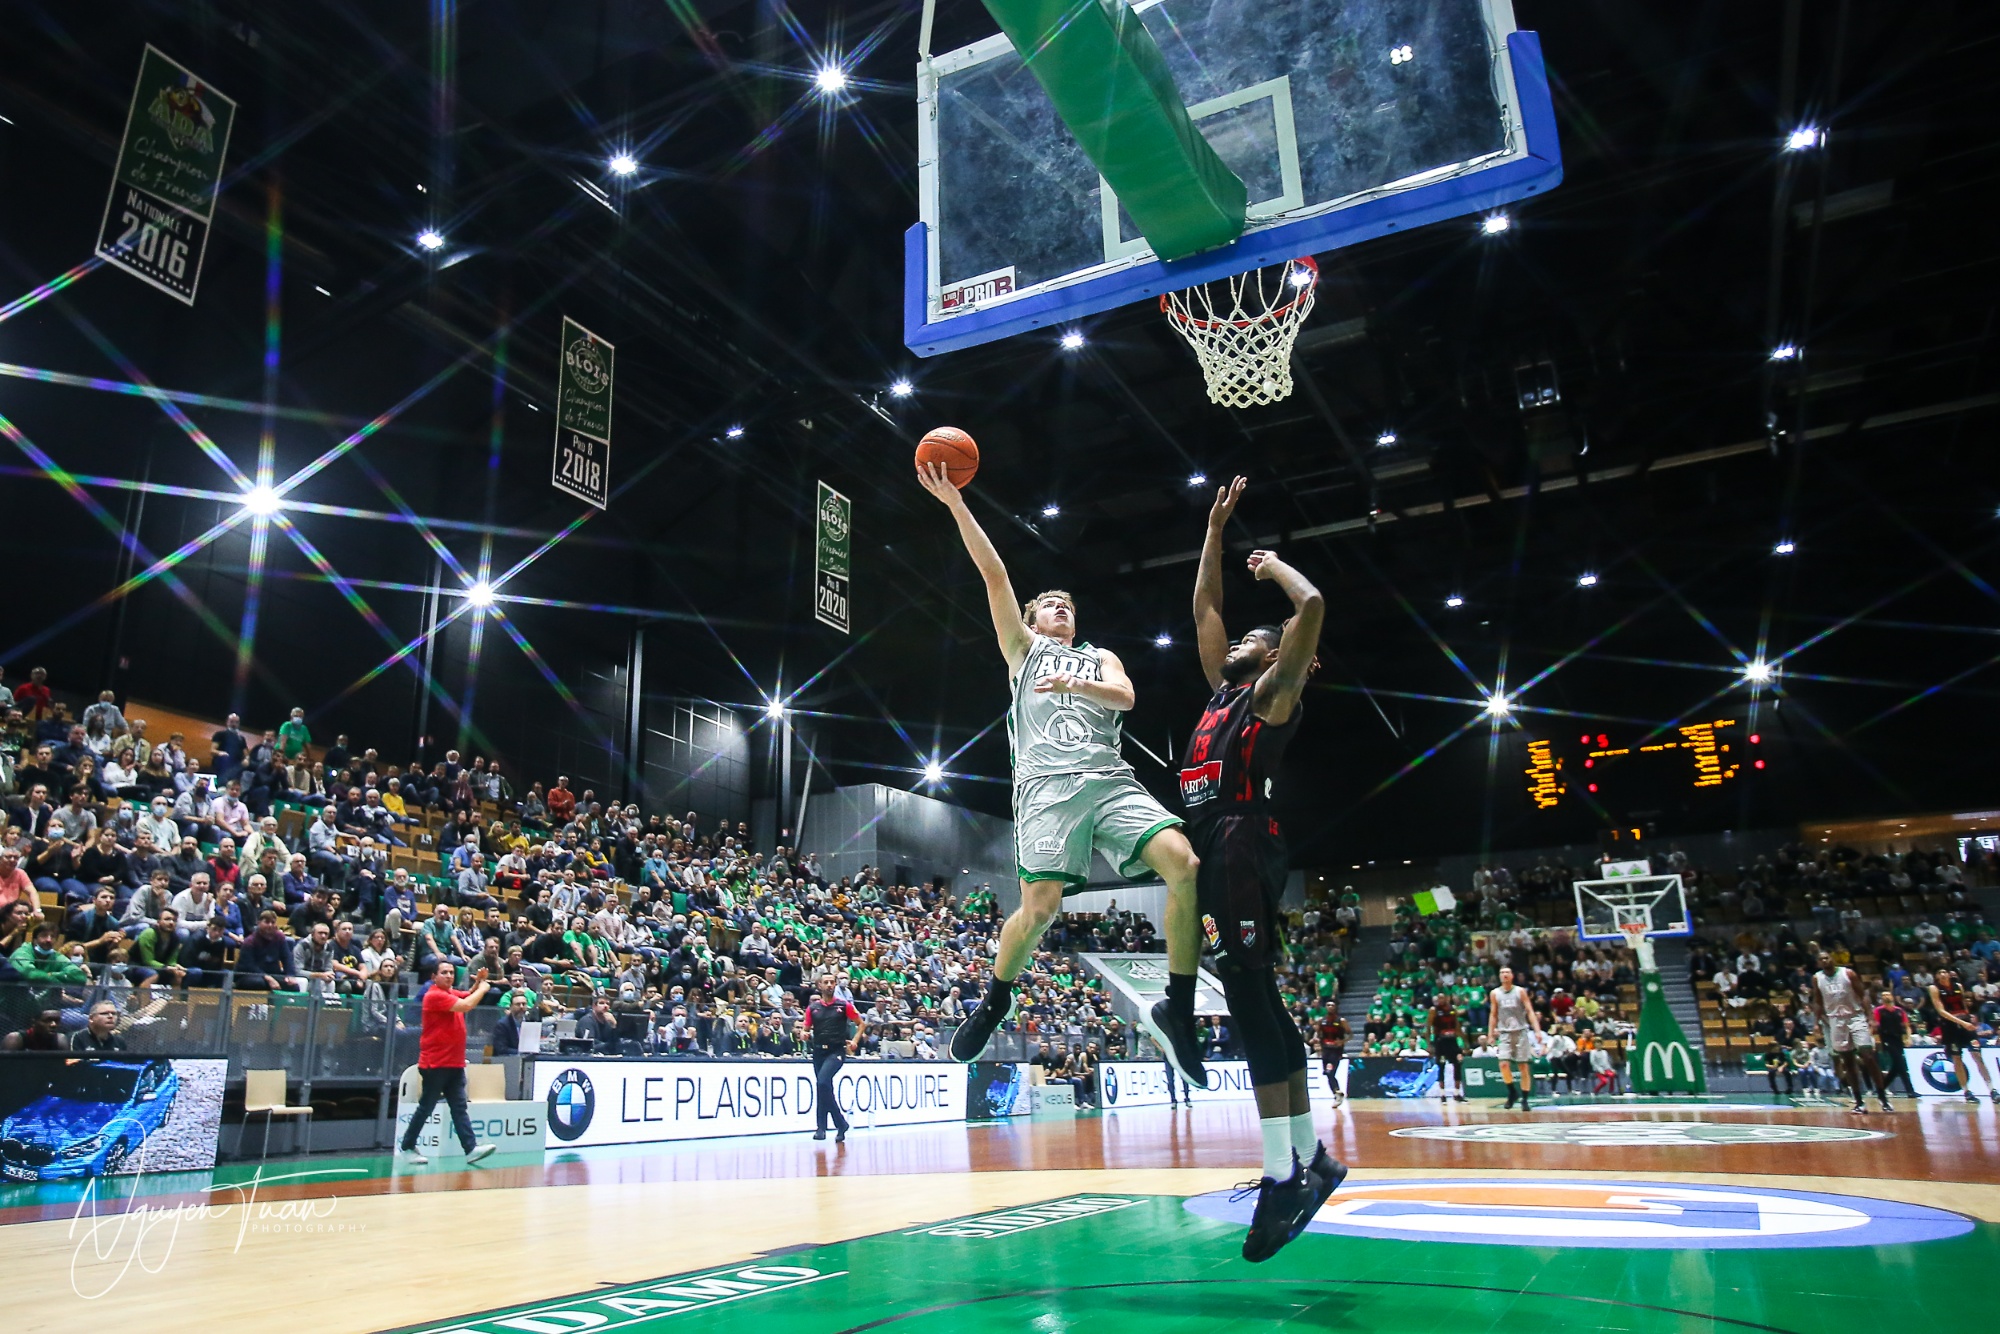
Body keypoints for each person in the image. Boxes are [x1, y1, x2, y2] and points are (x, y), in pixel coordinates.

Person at [918, 458, 1207, 1085]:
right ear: (1031, 618)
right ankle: (996, 998)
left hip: (1110, 782)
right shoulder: (1022, 652)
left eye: (1067, 605)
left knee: (1184, 865)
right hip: (1047, 790)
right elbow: (993, 573)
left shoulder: (1100, 657)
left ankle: (1178, 1007)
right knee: (1040, 909)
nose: (1061, 609)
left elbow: (1126, 698)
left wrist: (1078, 679)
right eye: (1050, 604)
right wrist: (955, 504)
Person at [1179, 476, 1342, 1262]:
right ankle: (1314, 1157)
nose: (1238, 636)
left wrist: (1275, 566)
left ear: (1278, 659)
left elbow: (1309, 609)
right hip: (1214, 843)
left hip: (1242, 843)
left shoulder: (1274, 696)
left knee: (1248, 1003)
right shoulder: (1222, 690)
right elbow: (1206, 609)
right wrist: (1214, 529)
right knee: (1263, 1004)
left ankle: (1282, 1177)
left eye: (1257, 635)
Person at [399, 961, 498, 1165]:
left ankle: (470, 1149)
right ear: (434, 977)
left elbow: (467, 995)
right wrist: (484, 988)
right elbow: (468, 1004)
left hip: (454, 1063)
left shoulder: (449, 993)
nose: (449, 975)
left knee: (459, 1107)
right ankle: (408, 1146)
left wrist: (479, 982)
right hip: (436, 1064)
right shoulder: (434, 995)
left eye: (452, 972)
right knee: (426, 1107)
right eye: (444, 972)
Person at [1812, 952, 1888, 1113]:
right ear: (1818, 963)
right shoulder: (1817, 978)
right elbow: (1818, 1001)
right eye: (1821, 959)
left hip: (1855, 1016)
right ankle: (1859, 1101)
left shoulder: (1848, 973)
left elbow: (1863, 995)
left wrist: (1871, 1017)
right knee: (1848, 1061)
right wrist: (1816, 1022)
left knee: (1867, 1055)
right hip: (1835, 1020)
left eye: (1827, 957)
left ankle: (1882, 1096)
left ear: (1833, 959)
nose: (1825, 960)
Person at [1928, 969, 1997, 1105]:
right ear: (1936, 976)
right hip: (1950, 1026)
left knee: (1977, 1055)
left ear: (1948, 974)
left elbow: (1964, 1006)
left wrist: (1968, 1021)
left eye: (1944, 971)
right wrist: (1962, 1022)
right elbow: (1941, 1011)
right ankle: (1967, 1091)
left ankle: (1992, 1090)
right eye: (1939, 972)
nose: (1942, 974)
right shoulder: (1934, 988)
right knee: (1957, 1058)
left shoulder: (1958, 986)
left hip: (1965, 1024)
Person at [805, 976, 861, 1141]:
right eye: (826, 982)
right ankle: (823, 1127)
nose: (829, 985)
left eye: (832, 982)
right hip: (818, 1051)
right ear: (819, 985)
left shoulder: (844, 1005)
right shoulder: (813, 1008)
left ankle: (838, 1122)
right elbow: (806, 1027)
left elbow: (861, 1023)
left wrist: (855, 1041)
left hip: (836, 1051)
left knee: (822, 1083)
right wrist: (804, 1033)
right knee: (824, 1088)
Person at [1489, 965, 1542, 1110]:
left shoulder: (1520, 991)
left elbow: (1530, 1011)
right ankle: (1512, 1092)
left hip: (1520, 1032)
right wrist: (1490, 1033)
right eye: (1502, 972)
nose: (1504, 974)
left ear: (1512, 976)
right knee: (1503, 1065)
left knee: (1523, 1067)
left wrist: (1537, 1030)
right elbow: (1493, 1014)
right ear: (1499, 976)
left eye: (1507, 972)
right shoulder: (1495, 993)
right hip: (1504, 1032)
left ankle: (1525, 1099)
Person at [1872, 989, 1915, 1100]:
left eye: (1888, 994)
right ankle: (1910, 1090)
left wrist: (1908, 1038)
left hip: (1898, 1038)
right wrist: (1875, 1039)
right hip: (1886, 1039)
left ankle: (1880, 1089)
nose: (1886, 996)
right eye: (1883, 995)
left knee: (1896, 1067)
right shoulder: (1878, 1011)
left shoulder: (1900, 1011)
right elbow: (1874, 1026)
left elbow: (1906, 1025)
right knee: (1900, 1062)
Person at [1430, 995, 1466, 1102]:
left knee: (1457, 1065)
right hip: (1440, 1042)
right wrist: (1429, 1044)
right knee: (1441, 1067)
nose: (1441, 1000)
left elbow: (1457, 1026)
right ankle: (1442, 1095)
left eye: (1443, 998)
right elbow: (1428, 1028)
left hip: (1452, 1041)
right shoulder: (1434, 1010)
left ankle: (1457, 1093)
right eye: (1439, 998)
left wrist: (1464, 1042)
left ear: (1447, 999)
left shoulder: (1452, 1009)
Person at [1318, 1010, 1348, 1104]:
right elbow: (1319, 1034)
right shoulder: (1322, 1021)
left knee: (1330, 1072)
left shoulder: (1341, 1021)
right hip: (1326, 1051)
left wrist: (1342, 1042)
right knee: (1328, 1074)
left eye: (1332, 1005)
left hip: (1335, 1051)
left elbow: (1350, 1034)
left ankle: (1337, 1093)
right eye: (1328, 1005)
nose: (1330, 1007)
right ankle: (1336, 1093)